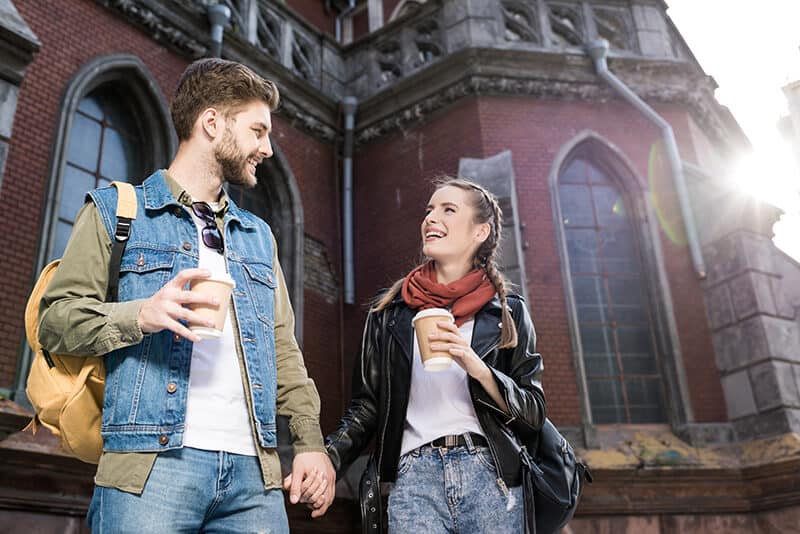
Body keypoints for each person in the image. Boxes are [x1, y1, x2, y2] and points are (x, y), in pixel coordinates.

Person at [38, 58, 335, 533]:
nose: (267, 148)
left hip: (255, 481)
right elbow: (55, 321)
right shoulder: (117, 211)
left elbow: (283, 348)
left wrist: (310, 444)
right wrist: (142, 314)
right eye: (258, 131)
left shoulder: (258, 235)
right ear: (212, 123)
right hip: (149, 469)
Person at [325, 177, 546, 533]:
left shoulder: (507, 312)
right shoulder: (389, 310)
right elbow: (367, 405)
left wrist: (477, 367)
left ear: (480, 232)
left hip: (492, 477)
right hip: (413, 477)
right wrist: (328, 458)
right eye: (429, 210)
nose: (430, 218)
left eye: (448, 210)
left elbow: (533, 412)